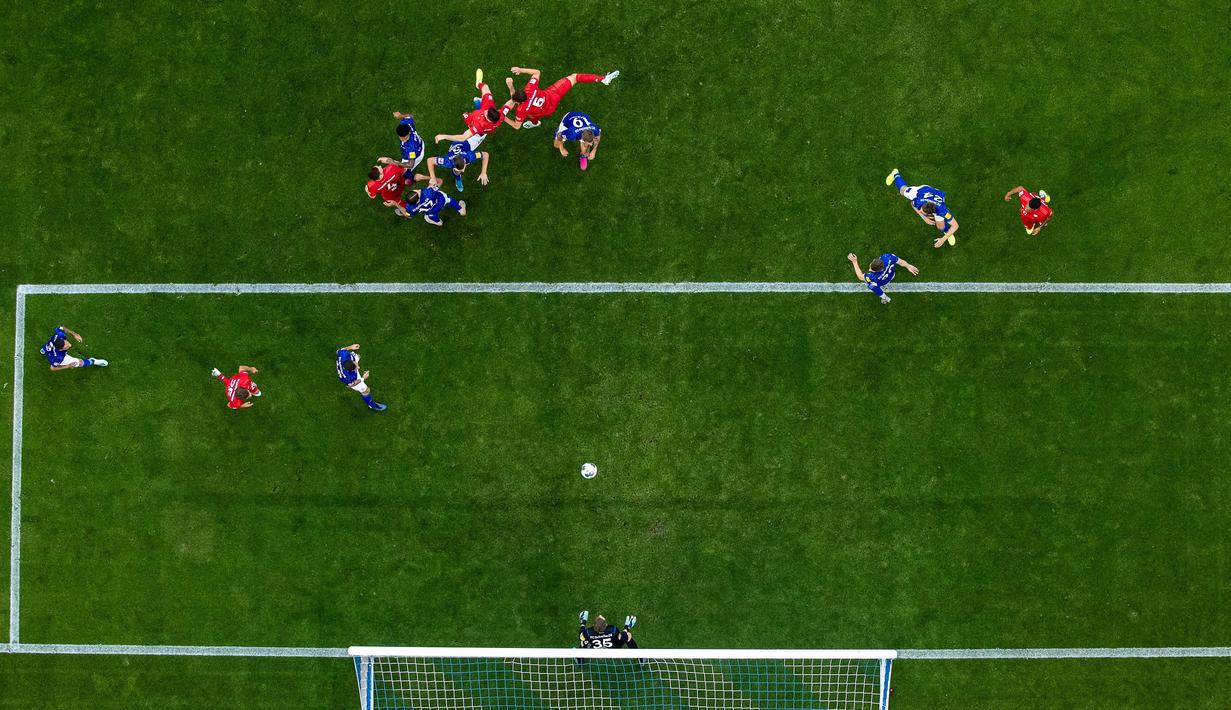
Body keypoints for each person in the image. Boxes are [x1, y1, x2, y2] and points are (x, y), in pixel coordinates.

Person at [503, 67, 619, 130]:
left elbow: (516, 126)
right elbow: (537, 72)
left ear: (518, 102)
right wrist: (520, 70)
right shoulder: (529, 89)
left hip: (545, 111)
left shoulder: (521, 109)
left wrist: (503, 116)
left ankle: (535, 123)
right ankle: (602, 79)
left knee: (531, 114)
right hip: (553, 95)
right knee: (574, 77)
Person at [433, 78, 516, 150]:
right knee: (485, 88)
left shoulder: (478, 125)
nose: (485, 111)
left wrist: (444, 136)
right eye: (487, 111)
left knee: (465, 116)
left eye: (486, 113)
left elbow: (463, 137)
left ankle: (475, 109)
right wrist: (479, 84)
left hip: (476, 123)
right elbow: (511, 102)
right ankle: (479, 99)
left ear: (488, 118)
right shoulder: (500, 115)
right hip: (487, 118)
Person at [885, 169, 959, 248]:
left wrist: (943, 239)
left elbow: (955, 225)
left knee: (940, 227)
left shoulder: (942, 210)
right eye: (921, 209)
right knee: (902, 191)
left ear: (931, 213)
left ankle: (947, 232)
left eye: (922, 211)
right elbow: (913, 204)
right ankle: (895, 174)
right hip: (923, 190)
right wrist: (923, 217)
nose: (919, 210)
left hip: (937, 194)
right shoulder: (919, 201)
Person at [847, 252, 919, 304]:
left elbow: (860, 276)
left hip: (881, 282)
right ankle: (884, 297)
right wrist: (908, 266)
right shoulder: (887, 257)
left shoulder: (871, 276)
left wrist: (854, 261)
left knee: (871, 285)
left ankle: (884, 297)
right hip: (891, 275)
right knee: (872, 283)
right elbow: (900, 261)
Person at [336, 344, 387, 411]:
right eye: (356, 368)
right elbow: (350, 385)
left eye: (356, 364)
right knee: (366, 390)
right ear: (351, 371)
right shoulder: (349, 377)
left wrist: (351, 347)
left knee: (357, 356)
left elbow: (338, 351)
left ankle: (355, 361)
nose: (359, 367)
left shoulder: (343, 354)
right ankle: (372, 405)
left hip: (347, 367)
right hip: (353, 380)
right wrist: (363, 378)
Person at [39, 325, 108, 371]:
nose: (70, 345)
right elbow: (53, 368)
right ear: (61, 349)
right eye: (66, 346)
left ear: (62, 339)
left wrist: (74, 334)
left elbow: (61, 327)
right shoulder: (58, 357)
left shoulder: (59, 335)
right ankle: (93, 361)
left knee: (46, 347)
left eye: (67, 342)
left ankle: (44, 350)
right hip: (55, 356)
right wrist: (68, 366)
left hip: (48, 347)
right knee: (77, 363)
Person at [396, 185, 466, 226]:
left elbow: (408, 215)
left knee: (430, 216)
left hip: (431, 211)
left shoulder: (410, 208)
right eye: (418, 192)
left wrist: (396, 204)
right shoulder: (427, 192)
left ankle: (438, 222)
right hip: (441, 200)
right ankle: (461, 209)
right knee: (449, 199)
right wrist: (431, 183)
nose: (418, 190)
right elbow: (439, 182)